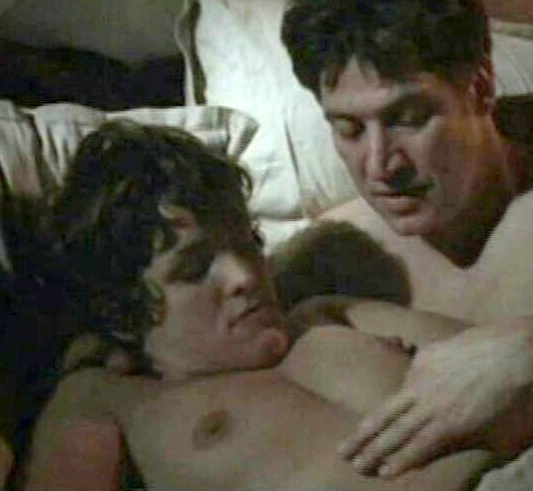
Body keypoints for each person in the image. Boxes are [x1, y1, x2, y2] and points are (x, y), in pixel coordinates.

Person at [22, 119, 497, 490]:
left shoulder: (327, 316)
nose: (246, 276)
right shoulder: (107, 397)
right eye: (194, 268)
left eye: (247, 244)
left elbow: (510, 355)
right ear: (122, 312)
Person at [281, 0, 533, 480]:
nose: (381, 165)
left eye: (409, 118)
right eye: (349, 129)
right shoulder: (328, 259)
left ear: (480, 88)